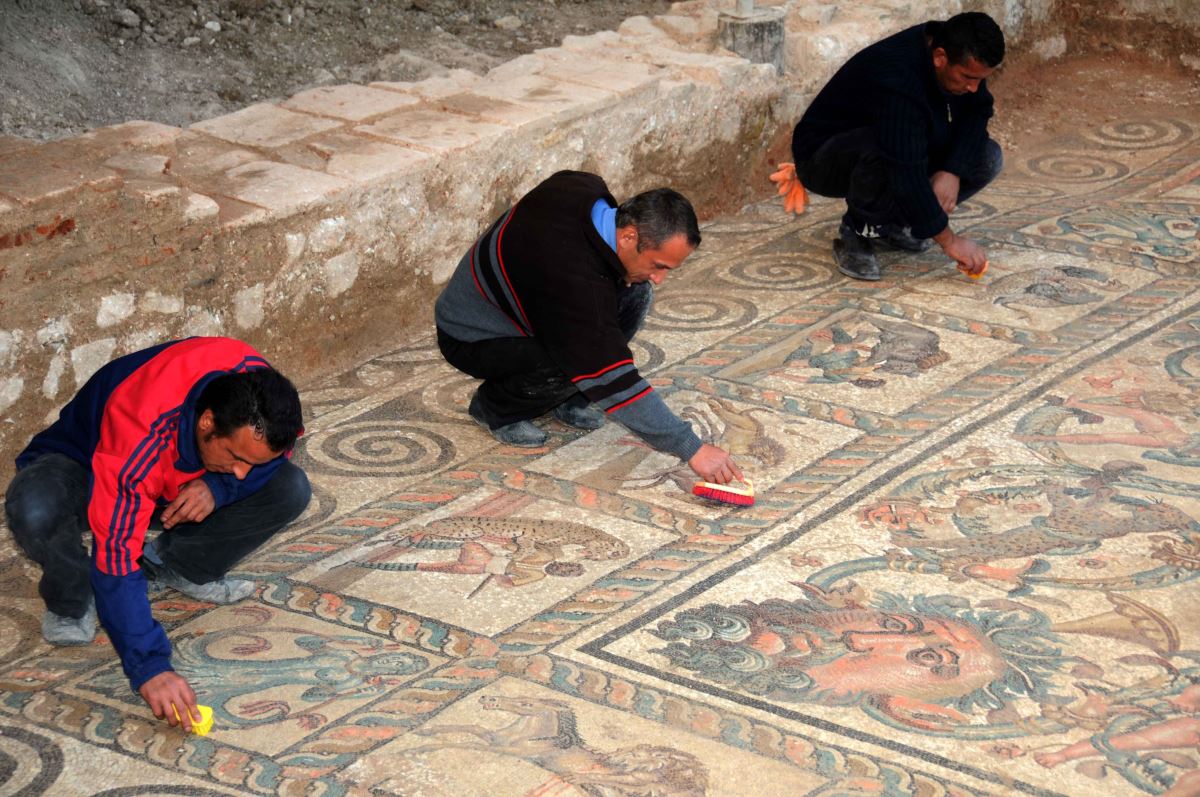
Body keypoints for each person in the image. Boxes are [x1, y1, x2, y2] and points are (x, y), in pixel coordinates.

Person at [4, 337, 310, 730]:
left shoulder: (265, 402)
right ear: (207, 423)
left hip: (171, 479)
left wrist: (219, 488)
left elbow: (269, 460)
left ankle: (178, 565)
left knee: (290, 487)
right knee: (34, 507)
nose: (241, 471)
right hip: (83, 469)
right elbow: (116, 555)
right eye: (234, 457)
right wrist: (150, 667)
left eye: (249, 462)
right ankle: (73, 592)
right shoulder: (139, 434)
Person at [435, 170, 742, 485]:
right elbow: (612, 375)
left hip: (525, 309)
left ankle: (571, 396)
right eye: (658, 265)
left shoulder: (582, 187)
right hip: (471, 335)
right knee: (574, 356)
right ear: (628, 236)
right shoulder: (574, 282)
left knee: (636, 292)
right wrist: (692, 449)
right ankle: (495, 407)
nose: (660, 277)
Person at [787, 11, 1005, 281]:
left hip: (891, 143)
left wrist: (953, 170)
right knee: (886, 148)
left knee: (986, 157)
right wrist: (949, 241)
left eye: (980, 80)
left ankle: (892, 224)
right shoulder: (899, 79)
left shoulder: (955, 57)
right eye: (968, 78)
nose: (974, 87)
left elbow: (978, 111)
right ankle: (856, 230)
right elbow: (905, 167)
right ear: (940, 58)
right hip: (823, 157)